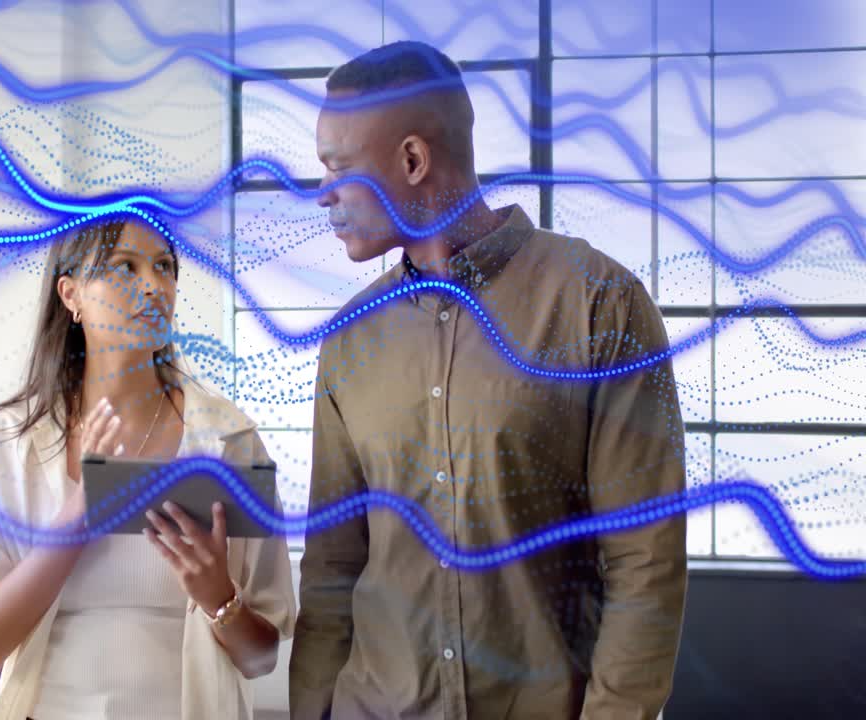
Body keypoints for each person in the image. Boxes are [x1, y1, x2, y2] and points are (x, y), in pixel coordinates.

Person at [289, 42, 688, 719]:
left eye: (338, 168)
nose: (322, 192)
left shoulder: (600, 304)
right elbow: (333, 568)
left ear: (411, 161)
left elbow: (645, 564)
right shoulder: (348, 339)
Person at [0, 217, 296, 720]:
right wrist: (78, 517)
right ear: (70, 295)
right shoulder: (9, 442)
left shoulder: (230, 442)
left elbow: (262, 657)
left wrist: (218, 597)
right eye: (125, 268)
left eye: (164, 267)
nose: (154, 286)